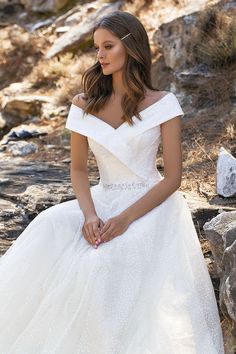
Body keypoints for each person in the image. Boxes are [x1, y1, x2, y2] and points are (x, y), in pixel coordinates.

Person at [0, 10, 225, 354]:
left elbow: (173, 179)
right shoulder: (84, 105)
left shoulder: (163, 104)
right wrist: (90, 216)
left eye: (108, 46)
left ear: (130, 48)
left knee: (99, 264)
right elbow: (77, 170)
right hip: (100, 199)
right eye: (96, 49)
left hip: (150, 206)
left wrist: (125, 219)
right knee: (48, 225)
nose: (100, 55)